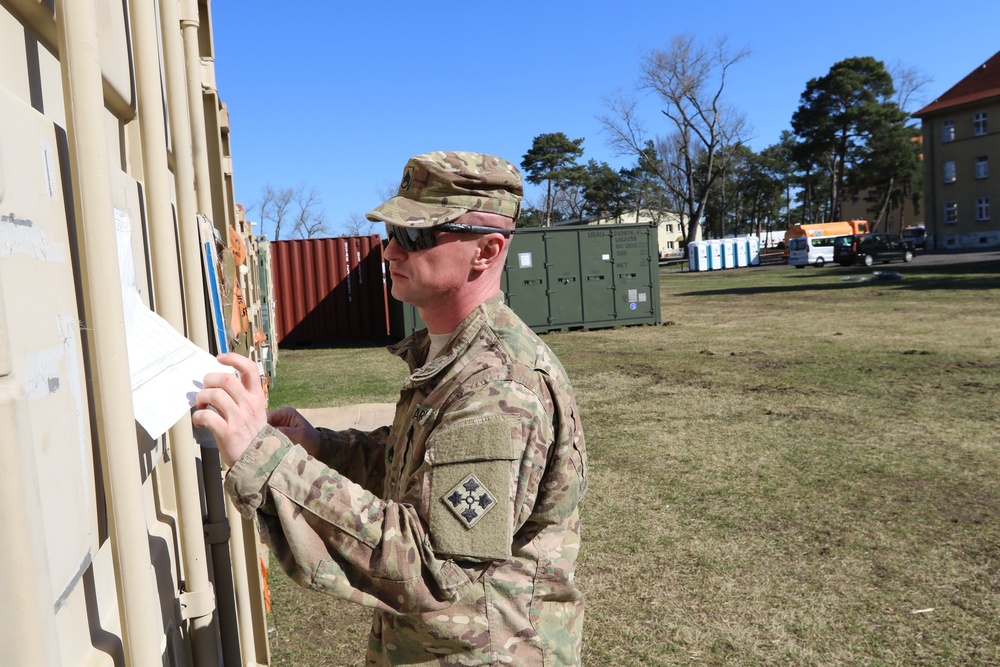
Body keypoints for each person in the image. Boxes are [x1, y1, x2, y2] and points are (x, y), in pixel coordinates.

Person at [194, 151, 587, 665]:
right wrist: (320, 448)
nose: (391, 252)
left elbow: (431, 568)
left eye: (417, 236)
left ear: (487, 251)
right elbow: (419, 472)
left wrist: (267, 458)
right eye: (392, 233)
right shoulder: (458, 356)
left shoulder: (498, 389)